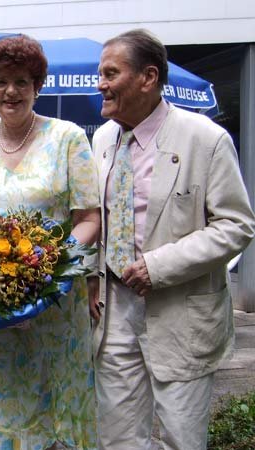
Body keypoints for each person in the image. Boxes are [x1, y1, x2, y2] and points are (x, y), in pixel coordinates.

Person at [90, 29, 255, 449]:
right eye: (100, 73)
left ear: (148, 77)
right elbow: (96, 219)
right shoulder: (103, 138)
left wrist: (158, 266)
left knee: (183, 439)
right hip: (113, 312)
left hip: (181, 312)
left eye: (111, 73)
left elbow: (236, 225)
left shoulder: (206, 138)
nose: (100, 84)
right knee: (117, 439)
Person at [0, 35, 100, 450]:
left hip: (54, 302)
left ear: (37, 86)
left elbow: (89, 219)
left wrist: (48, 265)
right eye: (0, 82)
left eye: (21, 82)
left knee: (53, 417)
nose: (10, 91)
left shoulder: (68, 139)